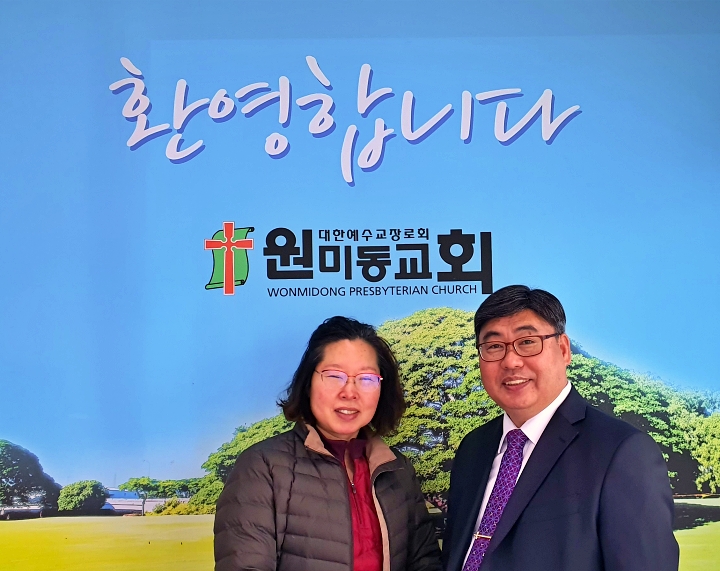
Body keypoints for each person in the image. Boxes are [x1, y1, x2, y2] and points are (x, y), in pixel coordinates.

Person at [442, 285, 679, 571]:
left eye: (527, 342)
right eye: (494, 346)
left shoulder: (622, 452)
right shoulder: (473, 448)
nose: (511, 361)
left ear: (564, 349)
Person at [214, 316, 442, 571]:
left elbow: (425, 563)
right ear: (308, 383)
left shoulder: (398, 470)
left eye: (366, 379)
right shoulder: (262, 467)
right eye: (334, 376)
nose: (350, 392)